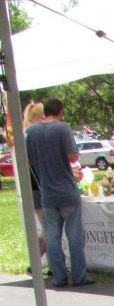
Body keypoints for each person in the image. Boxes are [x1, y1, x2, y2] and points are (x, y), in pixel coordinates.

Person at [25, 97, 90, 287]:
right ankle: (79, 276)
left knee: (52, 237)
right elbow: (72, 156)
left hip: (47, 193)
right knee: (75, 236)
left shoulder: (32, 132)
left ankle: (59, 276)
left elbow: (29, 160)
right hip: (67, 190)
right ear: (60, 111)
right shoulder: (63, 128)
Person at [22, 101, 47, 263]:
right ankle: (35, 262)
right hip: (36, 186)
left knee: (46, 228)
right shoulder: (31, 134)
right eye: (43, 116)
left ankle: (36, 262)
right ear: (37, 116)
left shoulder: (26, 133)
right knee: (48, 229)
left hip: (35, 186)